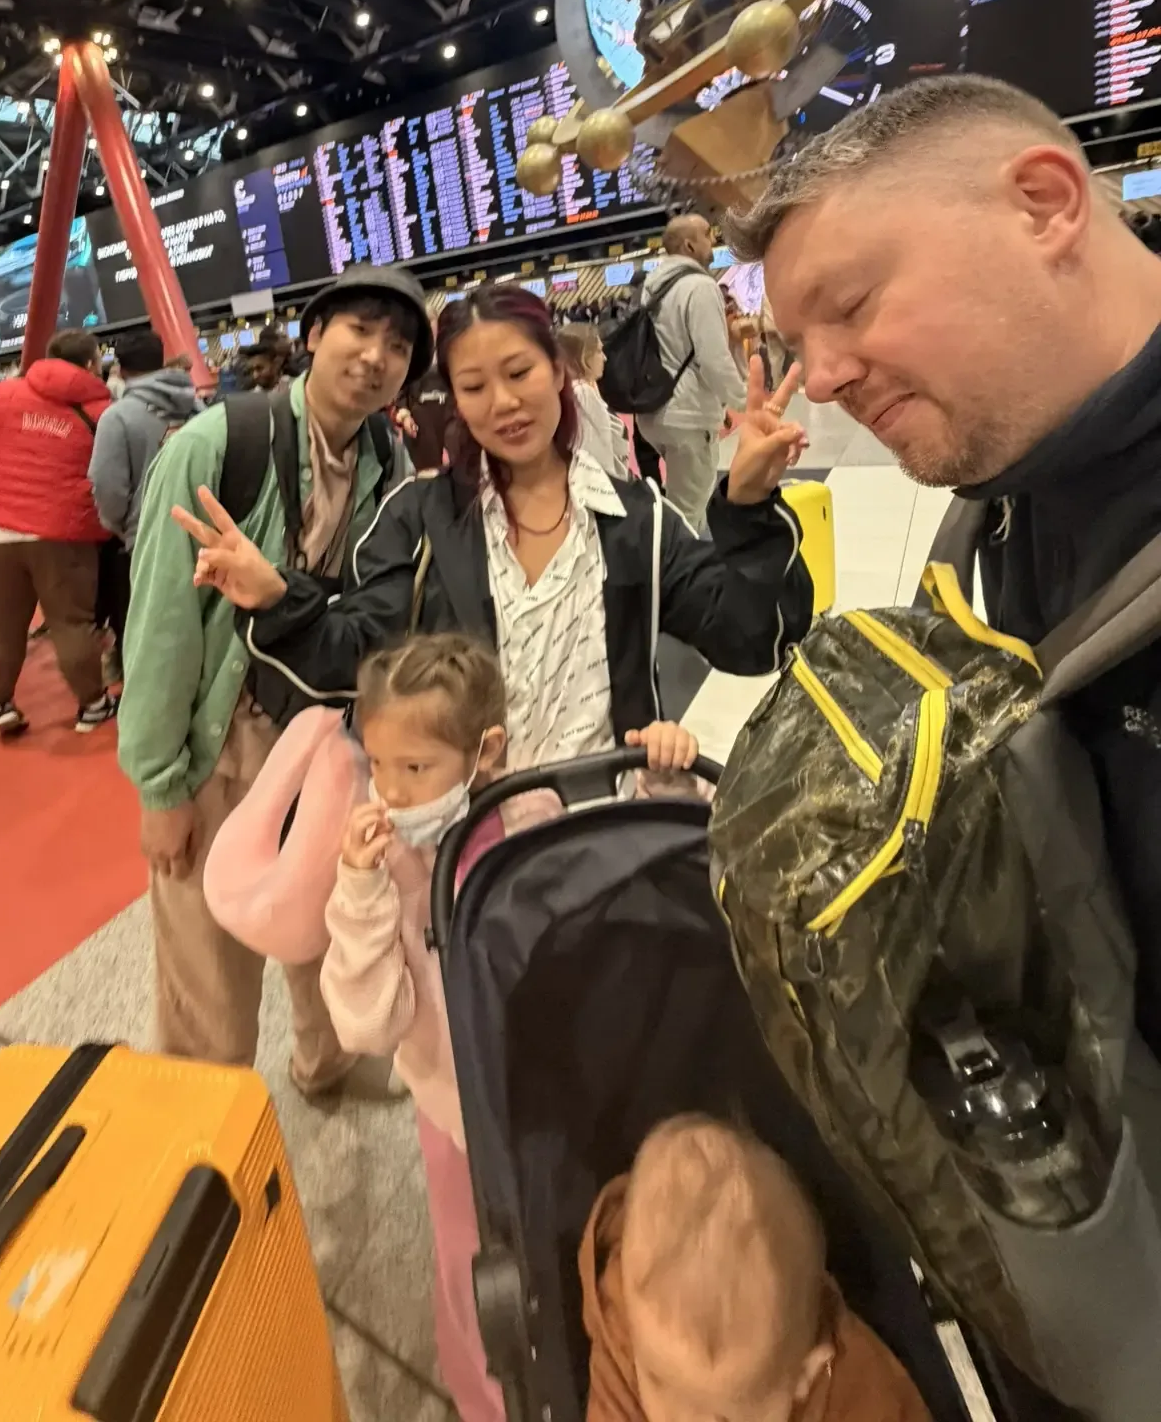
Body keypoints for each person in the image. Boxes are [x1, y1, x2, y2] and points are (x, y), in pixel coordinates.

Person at [728, 74, 1161, 1061]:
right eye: (798, 344)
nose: (821, 378)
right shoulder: (1001, 502)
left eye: (850, 304)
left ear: (1043, 205)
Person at [175, 283, 811, 786]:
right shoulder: (419, 520)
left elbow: (752, 639)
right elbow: (356, 657)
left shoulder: (635, 520)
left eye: (519, 372)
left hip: (611, 830)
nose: (503, 402)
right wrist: (275, 598)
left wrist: (749, 505)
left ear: (558, 372)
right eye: (474, 386)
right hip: (473, 845)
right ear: (454, 398)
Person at [322, 634, 702, 1422]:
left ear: (486, 752)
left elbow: (618, 889)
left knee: (573, 1242)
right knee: (479, 1270)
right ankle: (493, 1402)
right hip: (459, 1120)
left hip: (559, 1091)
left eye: (415, 768)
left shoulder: (533, 815)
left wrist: (664, 774)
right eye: (377, 766)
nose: (389, 793)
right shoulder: (386, 872)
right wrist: (360, 895)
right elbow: (365, 1022)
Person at [118, 264, 428, 1084]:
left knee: (321, 914)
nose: (376, 356)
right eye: (360, 330)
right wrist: (159, 788)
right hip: (219, 746)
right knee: (207, 962)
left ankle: (327, 1063)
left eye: (399, 346)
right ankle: (206, 1104)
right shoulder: (217, 444)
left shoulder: (386, 458)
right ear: (314, 334)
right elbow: (160, 625)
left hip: (318, 739)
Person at [580, 1115, 932, 1421]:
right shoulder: (631, 1315)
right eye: (657, 1381)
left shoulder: (863, 1394)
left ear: (805, 1374)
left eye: (723, 1418)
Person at [0, 328, 115, 737]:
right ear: (91, 363)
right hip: (62, 531)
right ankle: (92, 706)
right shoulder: (102, 407)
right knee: (71, 622)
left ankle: (1, 704)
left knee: (0, 624)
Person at [89, 329, 198, 677]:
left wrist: (121, 527)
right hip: (202, 531)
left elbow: (107, 486)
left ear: (120, 369)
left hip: (147, 539)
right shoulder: (197, 405)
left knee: (153, 636)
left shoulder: (117, 417)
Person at [634, 214, 748, 531]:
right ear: (689, 245)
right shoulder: (700, 287)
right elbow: (713, 357)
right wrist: (744, 400)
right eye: (707, 234)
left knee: (677, 504)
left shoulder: (653, 286)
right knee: (688, 514)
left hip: (653, 409)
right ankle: (677, 561)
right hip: (687, 415)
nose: (713, 240)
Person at [558, 323, 630, 478]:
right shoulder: (583, 394)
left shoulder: (579, 389)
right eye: (598, 351)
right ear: (583, 356)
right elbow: (598, 454)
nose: (604, 357)